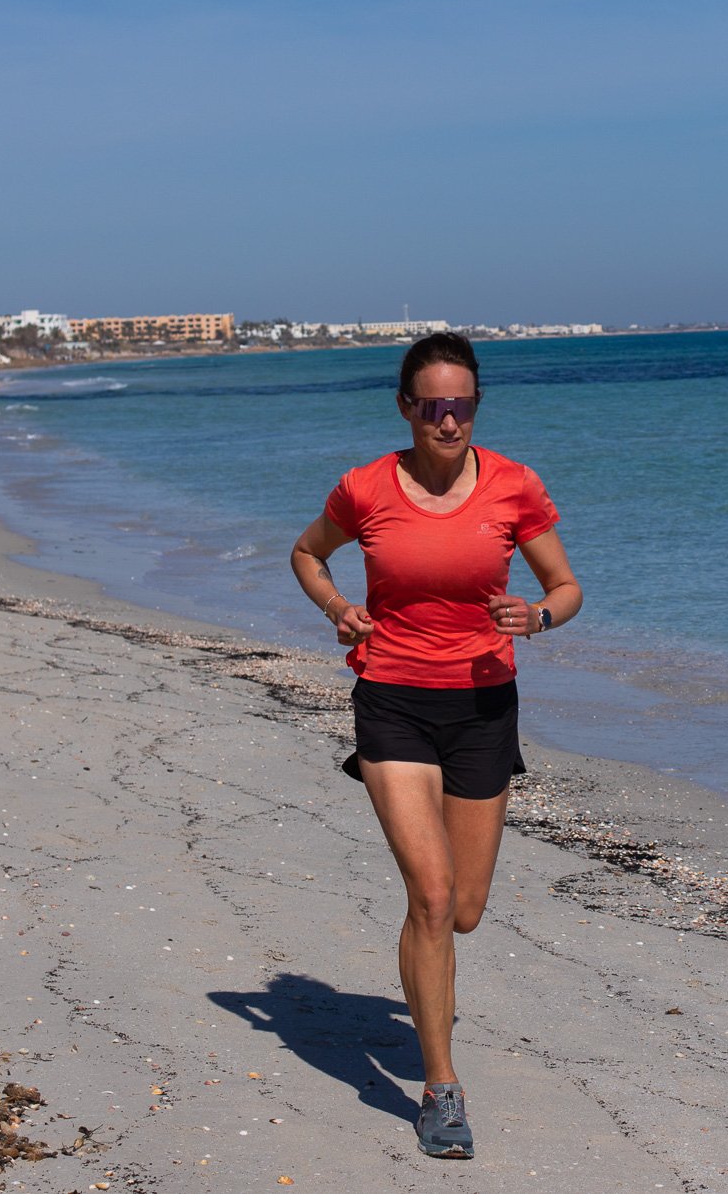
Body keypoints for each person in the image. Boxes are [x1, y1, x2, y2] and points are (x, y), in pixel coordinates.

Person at [291, 332, 581, 1158]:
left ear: (475, 407)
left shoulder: (515, 486)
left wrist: (540, 616)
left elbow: (568, 586)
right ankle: (441, 1088)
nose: (446, 420)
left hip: (485, 707)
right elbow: (307, 553)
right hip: (393, 702)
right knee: (428, 894)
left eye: (461, 406)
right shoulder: (367, 487)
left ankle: (429, 983)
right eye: (431, 406)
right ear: (406, 408)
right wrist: (335, 607)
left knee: (464, 909)